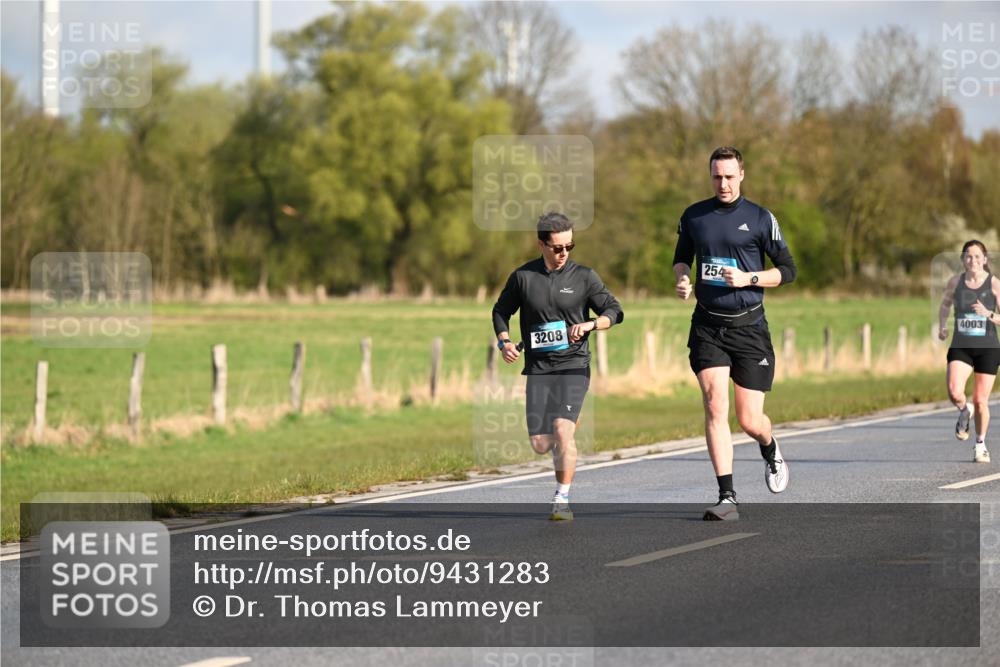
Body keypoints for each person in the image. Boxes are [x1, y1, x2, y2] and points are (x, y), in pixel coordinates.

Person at [673, 146, 797, 521]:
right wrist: (682, 278)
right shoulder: (694, 216)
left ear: (742, 174)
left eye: (729, 176)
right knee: (714, 403)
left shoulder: (760, 218)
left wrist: (749, 278)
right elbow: (682, 257)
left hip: (750, 329)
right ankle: (727, 496)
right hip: (708, 325)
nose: (723, 183)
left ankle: (769, 445)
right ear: (710, 176)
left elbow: (787, 270)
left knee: (749, 421)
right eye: (716, 177)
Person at [492, 212, 624, 520]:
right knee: (540, 444)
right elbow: (501, 311)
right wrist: (505, 342)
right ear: (541, 245)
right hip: (538, 368)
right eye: (558, 247)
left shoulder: (584, 277)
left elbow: (614, 311)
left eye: (570, 246)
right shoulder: (523, 278)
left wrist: (592, 324)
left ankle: (561, 499)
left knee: (562, 431)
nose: (564, 253)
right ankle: (565, 433)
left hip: (573, 364)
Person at [938, 240, 998, 463]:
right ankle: (964, 410)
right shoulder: (955, 282)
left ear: (984, 259)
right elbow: (945, 305)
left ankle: (980, 444)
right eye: (968, 256)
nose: (973, 260)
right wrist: (943, 325)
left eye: (977, 256)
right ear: (963, 260)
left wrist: (988, 314)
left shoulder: (994, 285)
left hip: (988, 348)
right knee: (955, 391)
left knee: (981, 400)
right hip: (961, 345)